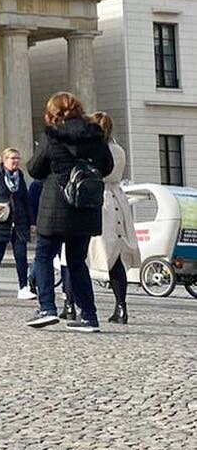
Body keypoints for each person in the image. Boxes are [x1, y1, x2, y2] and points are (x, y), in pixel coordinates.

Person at [26, 92, 113, 331]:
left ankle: (47, 308)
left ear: (52, 113)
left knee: (44, 256)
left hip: (56, 204)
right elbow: (107, 167)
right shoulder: (96, 135)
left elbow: (34, 168)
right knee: (77, 262)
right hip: (85, 206)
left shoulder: (52, 135)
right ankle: (89, 316)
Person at [86, 112, 141, 326]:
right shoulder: (118, 149)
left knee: (79, 253)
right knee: (116, 256)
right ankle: (121, 306)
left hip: (98, 198)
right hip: (118, 198)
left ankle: (72, 303)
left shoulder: (94, 150)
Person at [0, 148, 33, 299]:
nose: (16, 161)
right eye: (12, 158)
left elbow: (26, 200)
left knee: (21, 256)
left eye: (17, 158)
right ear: (4, 160)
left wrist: (31, 221)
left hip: (19, 222)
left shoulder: (20, 176)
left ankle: (23, 287)